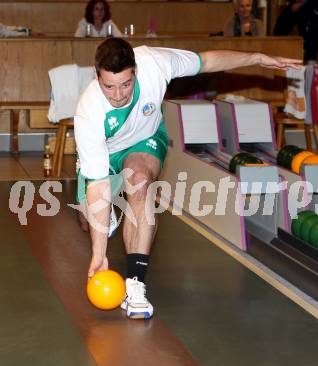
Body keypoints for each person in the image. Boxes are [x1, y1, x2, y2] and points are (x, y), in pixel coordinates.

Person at [74, 37, 301, 320]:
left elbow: (207, 61)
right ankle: (104, 220)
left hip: (143, 142)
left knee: (141, 184)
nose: (118, 94)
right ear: (97, 77)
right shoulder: (88, 112)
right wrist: (99, 254)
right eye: (109, 86)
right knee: (90, 215)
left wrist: (256, 57)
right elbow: (98, 186)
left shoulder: (155, 63)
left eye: (126, 84)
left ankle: (135, 284)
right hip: (104, 154)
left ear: (136, 71)